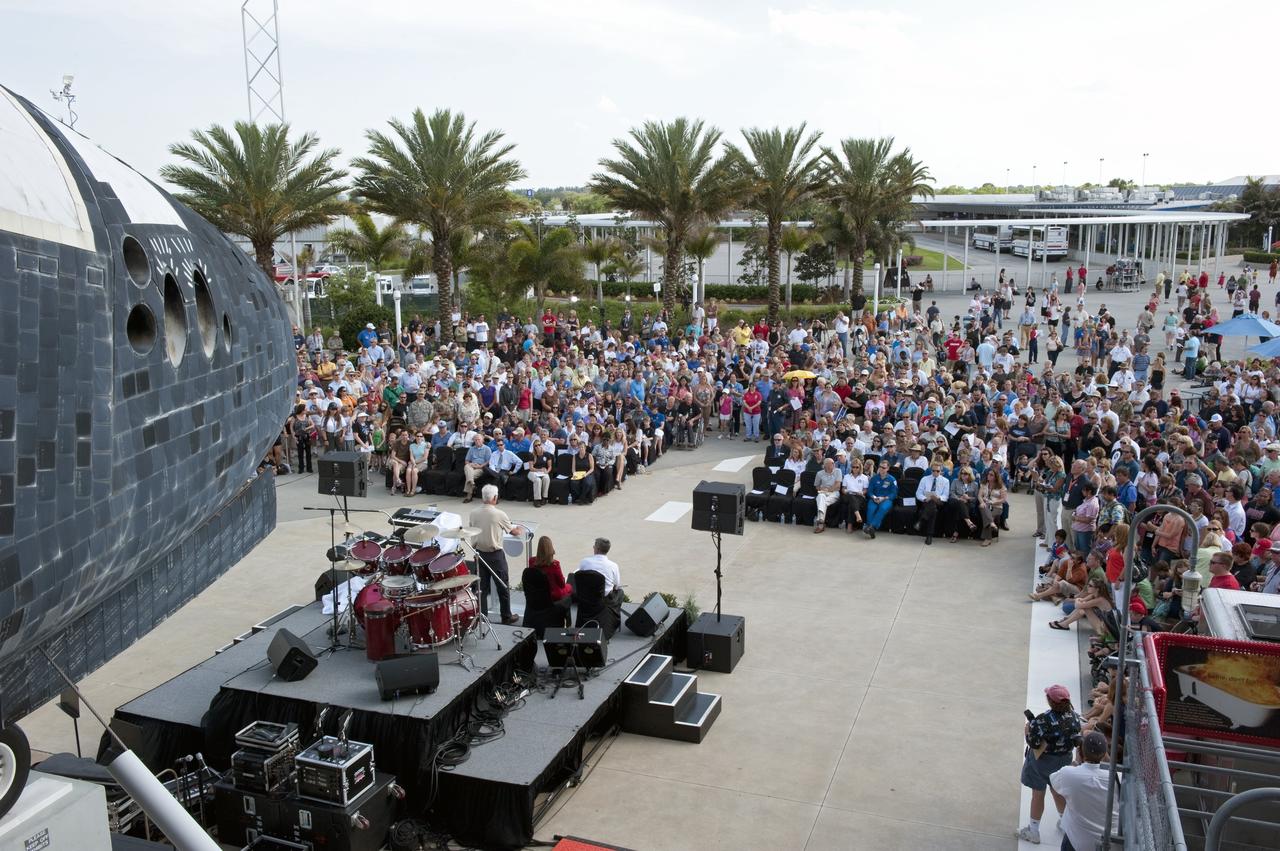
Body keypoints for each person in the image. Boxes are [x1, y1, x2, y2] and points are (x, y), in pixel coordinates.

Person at [1018, 684, 1084, 845]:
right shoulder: (1075, 718)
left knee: (1038, 794)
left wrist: (1028, 731)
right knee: (1057, 791)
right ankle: (1065, 823)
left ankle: (1034, 831)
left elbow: (1034, 743)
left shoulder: (1042, 720)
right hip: (1063, 761)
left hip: (1042, 762)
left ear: (1049, 700)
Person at [469, 484, 524, 625]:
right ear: (494, 497)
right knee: (502, 585)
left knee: (482, 587)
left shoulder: (473, 512)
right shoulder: (499, 514)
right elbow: (514, 531)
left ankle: (482, 615)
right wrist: (519, 528)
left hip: (479, 554)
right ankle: (506, 616)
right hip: (495, 555)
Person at [1048, 731, 1112, 851]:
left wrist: (1077, 762)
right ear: (1105, 754)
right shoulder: (1117, 779)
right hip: (1108, 842)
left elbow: (1054, 783)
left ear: (1081, 752)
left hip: (1076, 842)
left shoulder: (1069, 773)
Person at [575, 537, 622, 604]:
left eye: (594, 546)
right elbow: (617, 585)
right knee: (620, 592)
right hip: (604, 600)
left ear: (597, 549)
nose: (593, 547)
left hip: (586, 597)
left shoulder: (584, 562)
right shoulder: (614, 566)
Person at [915, 460, 950, 545]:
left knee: (934, 503)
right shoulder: (925, 479)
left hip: (939, 502)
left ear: (941, 471)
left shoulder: (945, 481)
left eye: (937, 471)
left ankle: (921, 520)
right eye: (933, 470)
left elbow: (946, 496)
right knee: (933, 509)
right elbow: (918, 493)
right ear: (931, 470)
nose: (935, 472)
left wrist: (939, 497)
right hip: (927, 501)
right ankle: (929, 535)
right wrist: (924, 498)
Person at [865, 459, 897, 539]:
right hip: (875, 498)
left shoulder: (892, 479)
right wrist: (874, 497)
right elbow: (869, 491)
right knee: (870, 508)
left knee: (882, 508)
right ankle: (871, 528)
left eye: (884, 468)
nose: (882, 469)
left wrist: (884, 498)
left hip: (886, 499)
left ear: (888, 468)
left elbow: (894, 493)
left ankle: (871, 527)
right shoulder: (874, 478)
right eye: (880, 467)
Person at [813, 456, 842, 533]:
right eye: (830, 464)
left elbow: (838, 485)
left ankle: (820, 522)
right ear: (825, 465)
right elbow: (817, 486)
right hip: (823, 492)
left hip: (834, 492)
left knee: (822, 502)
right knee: (821, 497)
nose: (833, 465)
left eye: (833, 463)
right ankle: (821, 523)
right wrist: (822, 489)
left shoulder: (838, 471)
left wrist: (828, 489)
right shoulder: (819, 473)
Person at [461, 432, 491, 503]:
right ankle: (472, 483)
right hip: (472, 466)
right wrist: (471, 464)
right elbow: (467, 460)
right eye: (476, 440)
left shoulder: (487, 449)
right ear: (474, 441)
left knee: (469, 476)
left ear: (482, 440)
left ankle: (469, 496)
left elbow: (488, 461)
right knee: (466, 466)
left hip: (481, 467)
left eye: (479, 439)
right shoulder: (471, 449)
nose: (477, 441)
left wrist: (480, 466)